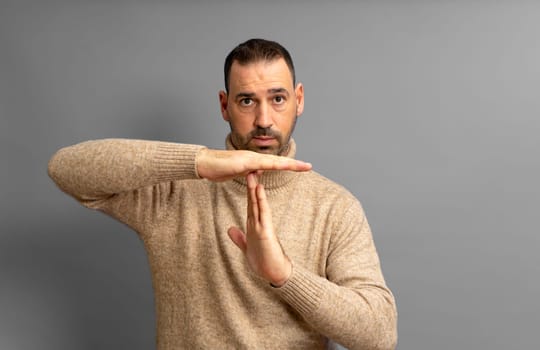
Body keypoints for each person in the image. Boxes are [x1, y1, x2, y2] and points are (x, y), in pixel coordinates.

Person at [48, 38, 397, 350]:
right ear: (224, 105)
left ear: (299, 99)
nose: (263, 119)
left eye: (278, 98)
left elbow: (379, 335)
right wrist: (198, 161)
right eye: (247, 101)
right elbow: (65, 169)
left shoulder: (334, 206)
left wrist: (285, 275)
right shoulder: (173, 191)